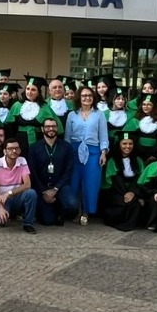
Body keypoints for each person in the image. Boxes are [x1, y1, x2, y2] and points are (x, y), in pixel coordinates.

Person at [65, 86, 109, 226]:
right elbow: (67, 137)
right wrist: (67, 155)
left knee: (90, 183)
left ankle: (86, 212)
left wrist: (103, 152)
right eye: (84, 95)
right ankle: (76, 211)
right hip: (74, 151)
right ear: (79, 97)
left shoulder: (99, 114)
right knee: (75, 182)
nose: (87, 98)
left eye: (90, 95)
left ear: (93, 98)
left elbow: (103, 136)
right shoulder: (72, 115)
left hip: (93, 152)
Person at [28, 118, 76, 227]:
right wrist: (44, 191)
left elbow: (69, 170)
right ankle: (46, 209)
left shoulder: (66, 147)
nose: (51, 129)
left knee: (72, 204)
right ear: (42, 129)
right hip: (42, 187)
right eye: (48, 127)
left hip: (60, 186)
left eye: (54, 126)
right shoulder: (34, 148)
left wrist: (56, 188)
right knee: (48, 221)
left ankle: (60, 211)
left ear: (57, 129)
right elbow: (32, 171)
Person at [0, 138, 38, 234]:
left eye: (16, 148)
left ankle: (28, 223)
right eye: (10, 149)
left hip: (16, 197)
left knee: (31, 193)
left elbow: (27, 184)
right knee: (1, 222)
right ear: (4, 151)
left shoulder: (22, 161)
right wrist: (0, 207)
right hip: (0, 199)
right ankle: (6, 213)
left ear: (19, 150)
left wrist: (8, 193)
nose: (14, 151)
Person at [101, 133, 146, 231]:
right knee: (123, 204)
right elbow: (112, 183)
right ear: (119, 145)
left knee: (135, 204)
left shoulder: (138, 160)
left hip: (134, 192)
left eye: (130, 144)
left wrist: (133, 193)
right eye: (124, 143)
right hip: (117, 192)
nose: (128, 146)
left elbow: (141, 181)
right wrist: (126, 194)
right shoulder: (112, 161)